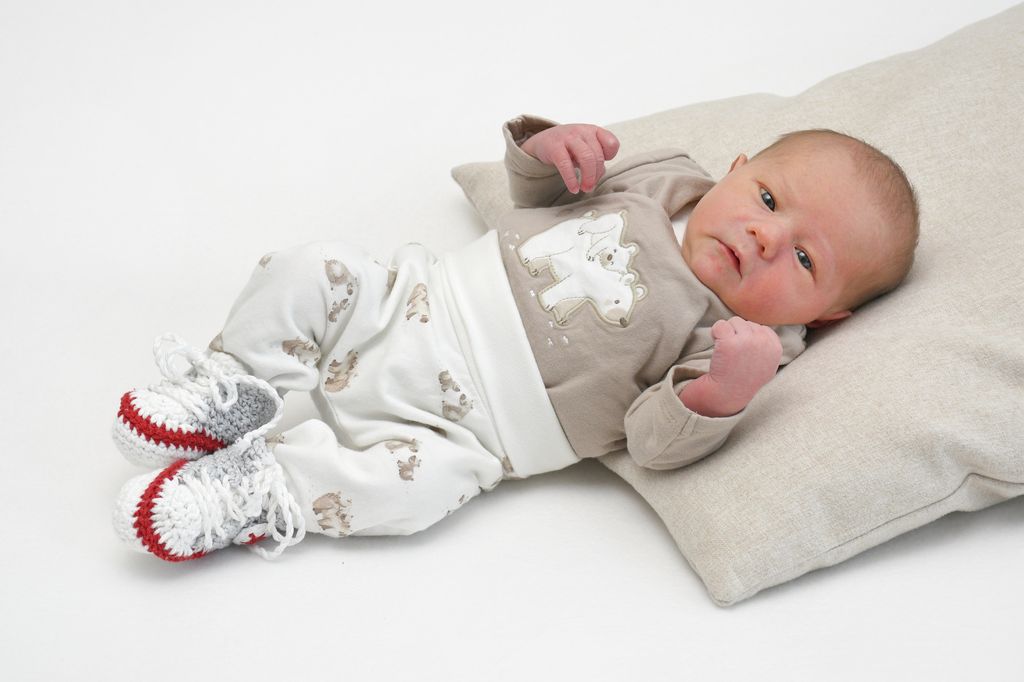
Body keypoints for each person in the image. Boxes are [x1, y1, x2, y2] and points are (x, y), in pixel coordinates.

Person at [111, 114, 919, 562]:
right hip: (406, 303)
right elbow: (545, 198)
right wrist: (546, 152)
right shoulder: (668, 180)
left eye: (806, 260)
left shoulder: (741, 345)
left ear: (825, 315)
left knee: (411, 495)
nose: (767, 236)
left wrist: (721, 395)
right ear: (737, 168)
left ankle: (264, 488)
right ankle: (229, 388)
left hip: (468, 433)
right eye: (769, 198)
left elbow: (650, 442)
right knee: (311, 268)